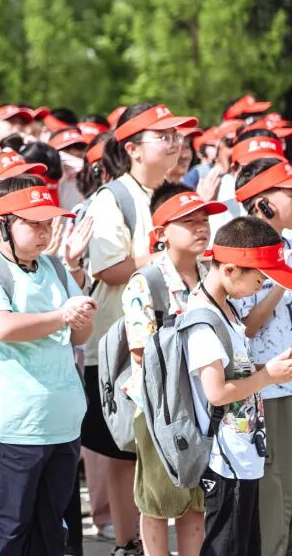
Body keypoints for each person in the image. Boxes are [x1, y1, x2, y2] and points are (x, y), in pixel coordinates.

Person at [87, 102, 196, 554]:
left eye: (177, 135)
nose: (175, 143)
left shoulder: (178, 191)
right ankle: (127, 540)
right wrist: (174, 252)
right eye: (163, 136)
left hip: (180, 345)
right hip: (123, 342)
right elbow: (110, 268)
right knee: (125, 444)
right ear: (132, 148)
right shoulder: (115, 197)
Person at [0, 176, 93, 556]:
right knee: (9, 533)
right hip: (12, 425)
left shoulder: (53, 267)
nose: (44, 231)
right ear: (2, 224)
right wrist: (63, 315)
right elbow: (1, 325)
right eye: (33, 223)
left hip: (61, 421)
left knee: (51, 531)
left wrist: (81, 313)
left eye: (48, 223)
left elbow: (79, 338)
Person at [122, 185, 225, 556]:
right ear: (161, 232)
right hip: (159, 412)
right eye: (189, 222)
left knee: (197, 507)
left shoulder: (212, 277)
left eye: (205, 220)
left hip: (205, 408)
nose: (202, 228)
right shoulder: (146, 282)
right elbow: (140, 353)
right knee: (157, 503)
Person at [185, 216, 292, 556]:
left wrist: (273, 369)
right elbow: (216, 392)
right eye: (259, 280)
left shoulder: (227, 309)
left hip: (243, 453)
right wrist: (268, 376)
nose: (261, 287)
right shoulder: (204, 320)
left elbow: (238, 371)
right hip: (223, 458)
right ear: (230, 270)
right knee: (225, 546)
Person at [232, 158, 292, 556]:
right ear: (263, 204)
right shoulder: (243, 251)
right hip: (266, 384)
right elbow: (246, 326)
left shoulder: (287, 245)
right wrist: (279, 282)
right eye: (288, 192)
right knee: (275, 483)